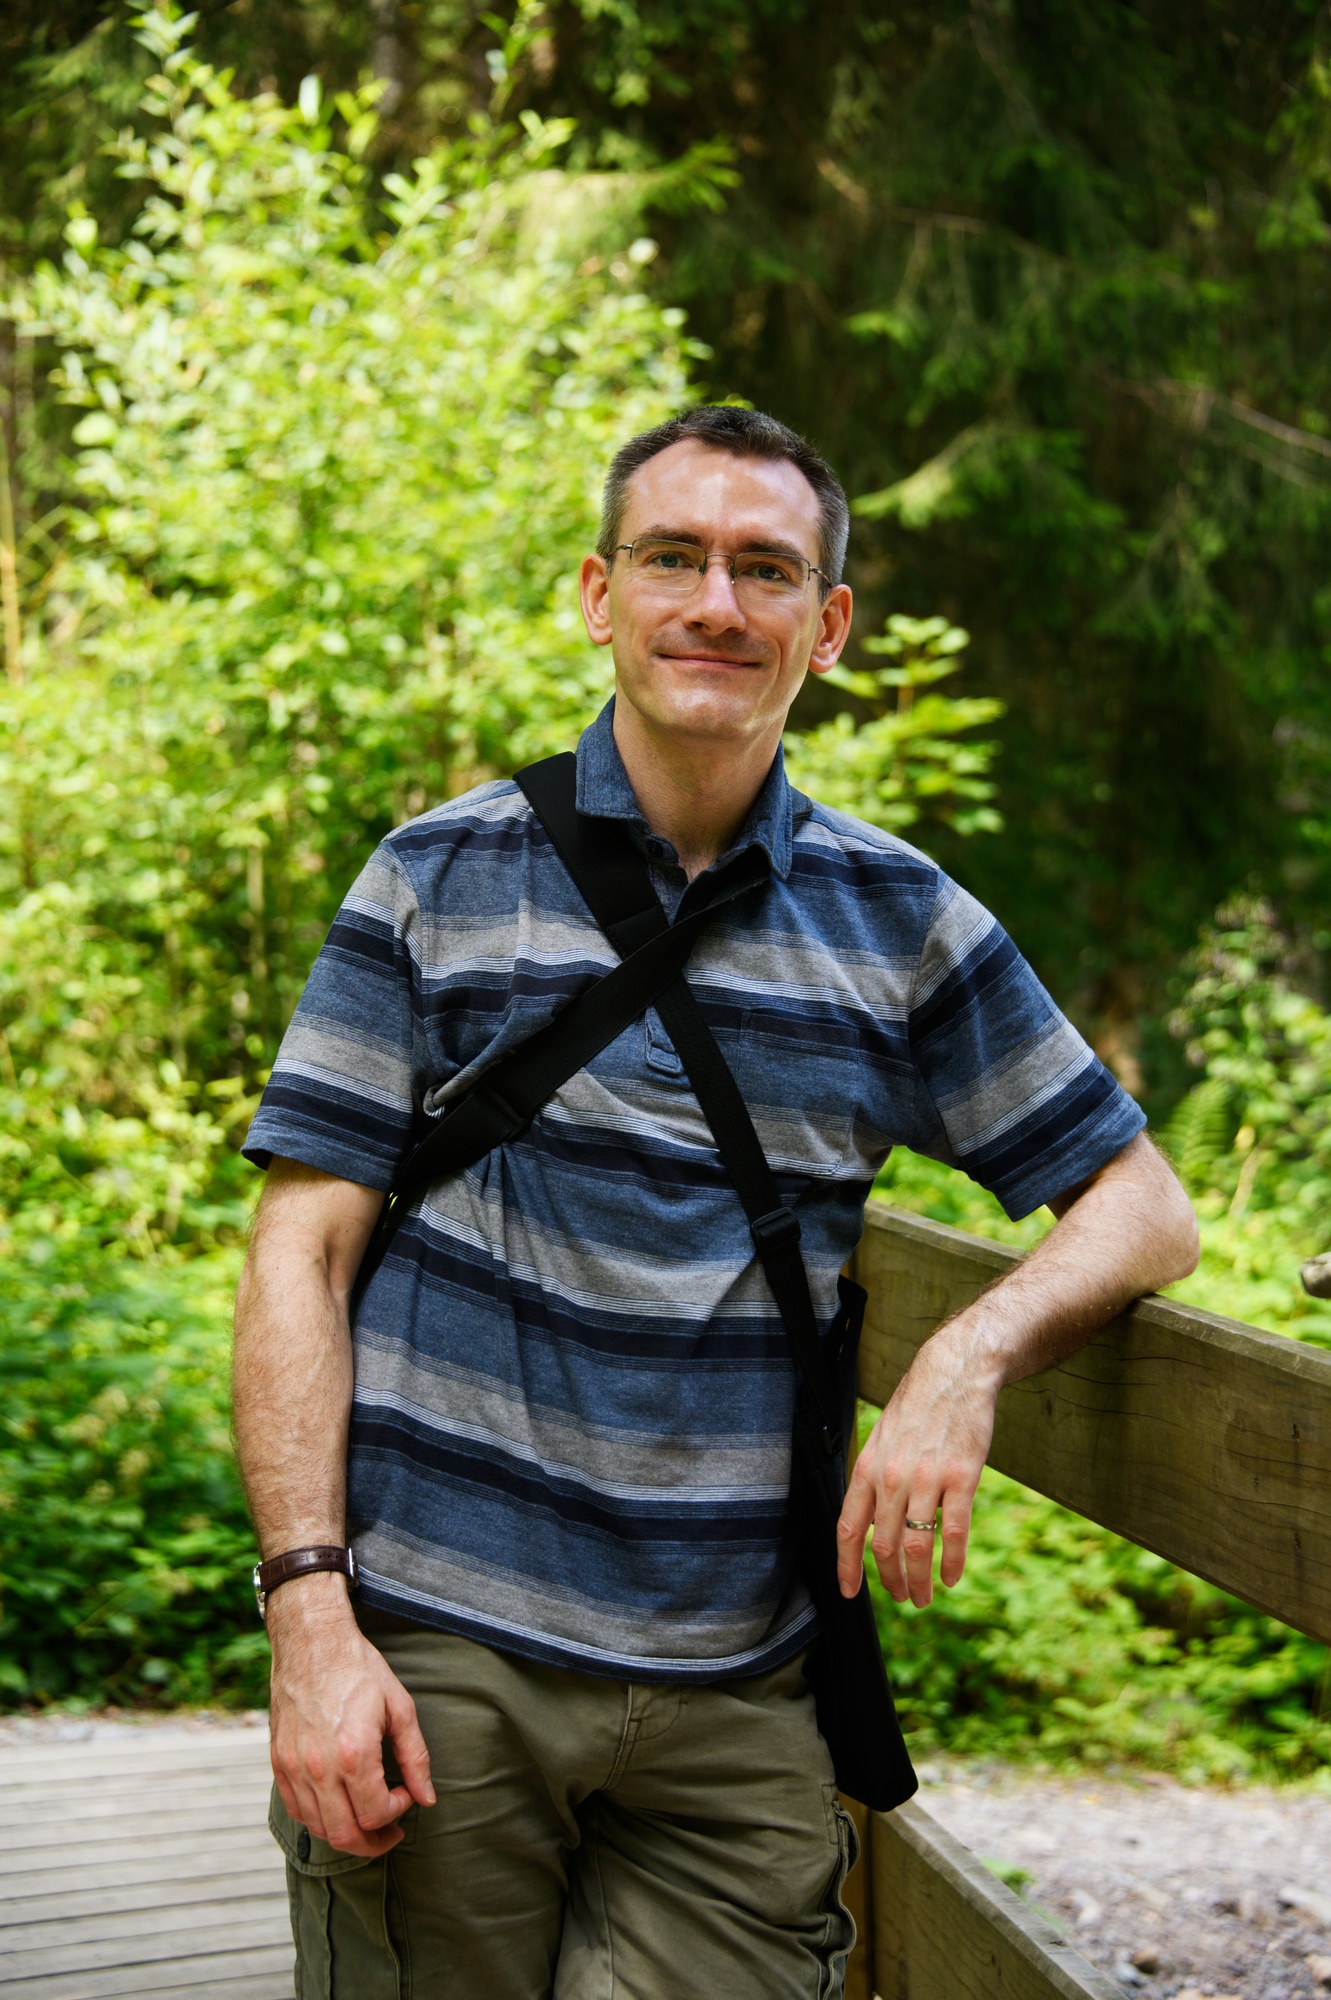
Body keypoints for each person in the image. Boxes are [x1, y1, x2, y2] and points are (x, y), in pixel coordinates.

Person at [234, 404, 1198, 1998]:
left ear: (828, 625)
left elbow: (1143, 1203)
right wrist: (310, 1625)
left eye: (766, 569)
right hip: (441, 1660)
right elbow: (300, 1252)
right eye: (672, 556)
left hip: (741, 1693)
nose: (716, 604)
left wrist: (968, 1358)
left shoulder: (899, 920)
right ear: (598, 594)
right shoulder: (435, 877)